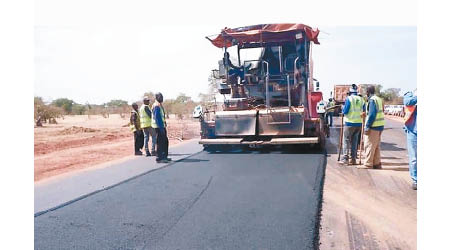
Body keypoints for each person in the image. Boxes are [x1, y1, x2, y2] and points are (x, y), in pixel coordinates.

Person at [340, 86, 365, 165]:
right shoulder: (361, 99)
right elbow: (364, 111)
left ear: (350, 92)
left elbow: (345, 111)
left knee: (346, 140)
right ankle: (353, 159)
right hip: (358, 124)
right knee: (354, 141)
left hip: (349, 123)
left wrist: (342, 108)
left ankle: (345, 158)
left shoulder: (349, 99)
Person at [363, 85, 385, 169]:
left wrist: (367, 126)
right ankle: (377, 163)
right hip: (380, 125)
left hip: (373, 126)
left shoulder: (372, 100)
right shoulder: (378, 99)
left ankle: (368, 164)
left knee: (369, 145)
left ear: (368, 92)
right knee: (376, 146)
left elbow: (372, 115)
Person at [152, 92, 171, 163]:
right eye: (160, 97)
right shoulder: (156, 105)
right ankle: (160, 157)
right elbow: (157, 118)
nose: (161, 98)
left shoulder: (159, 105)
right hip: (158, 127)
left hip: (161, 126)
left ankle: (164, 156)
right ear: (156, 97)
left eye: (162, 96)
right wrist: (161, 128)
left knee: (165, 141)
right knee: (161, 142)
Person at [403, 90, 417, 190]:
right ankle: (416, 180)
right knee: (414, 158)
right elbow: (407, 102)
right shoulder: (411, 94)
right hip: (413, 131)